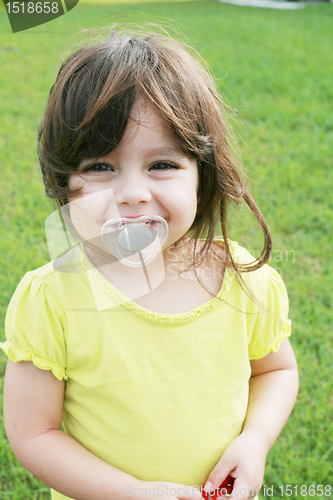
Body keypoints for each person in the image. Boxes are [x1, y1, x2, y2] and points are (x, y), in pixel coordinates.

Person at [0, 27, 298, 500]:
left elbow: (275, 371)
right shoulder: (53, 298)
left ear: (203, 174)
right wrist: (131, 492)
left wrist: (255, 439)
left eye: (162, 164)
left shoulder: (244, 281)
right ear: (65, 181)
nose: (133, 193)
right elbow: (34, 434)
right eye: (100, 166)